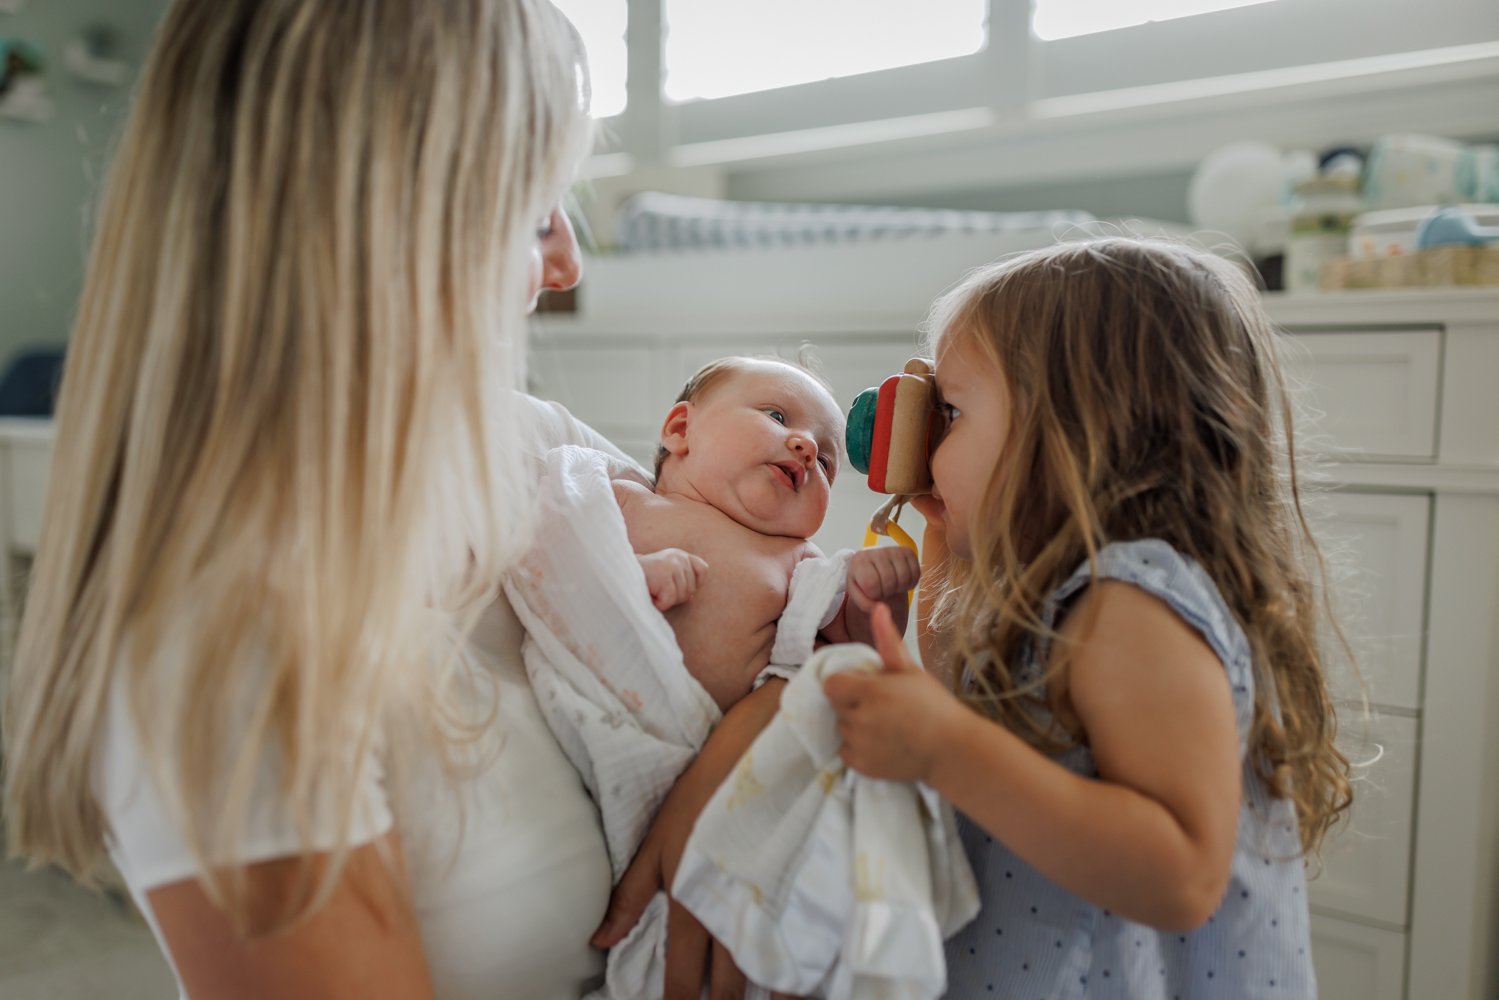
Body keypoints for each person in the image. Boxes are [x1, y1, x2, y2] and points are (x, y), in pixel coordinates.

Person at [1, 2, 776, 997]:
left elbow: (777, 607)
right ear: (395, 229)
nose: (566, 265)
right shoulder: (221, 642)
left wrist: (724, 781)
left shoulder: (526, 443)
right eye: (536, 213)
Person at [823, 238, 1354, 998]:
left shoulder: (1126, 607)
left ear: (1073, 430)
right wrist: (944, 558)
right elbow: (988, 715)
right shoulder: (1048, 596)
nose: (928, 441)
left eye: (949, 411)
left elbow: (1181, 875)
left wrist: (942, 751)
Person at [621, 356, 921, 710]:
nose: (808, 448)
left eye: (825, 463)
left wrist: (877, 592)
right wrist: (631, 571)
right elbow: (551, 557)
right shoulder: (624, 498)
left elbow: (858, 644)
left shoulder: (795, 559)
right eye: (776, 416)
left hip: (709, 745)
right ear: (682, 430)